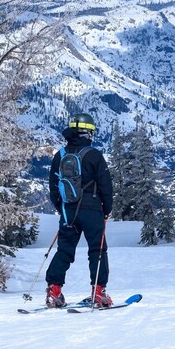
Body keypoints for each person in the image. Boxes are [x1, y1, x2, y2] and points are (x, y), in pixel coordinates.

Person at [45, 112, 115, 308]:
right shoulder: (94, 155)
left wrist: (62, 208)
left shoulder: (60, 155)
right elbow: (106, 186)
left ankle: (54, 290)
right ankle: (99, 293)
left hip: (69, 211)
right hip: (92, 210)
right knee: (98, 250)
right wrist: (106, 209)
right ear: (88, 133)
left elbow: (53, 188)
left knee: (64, 250)